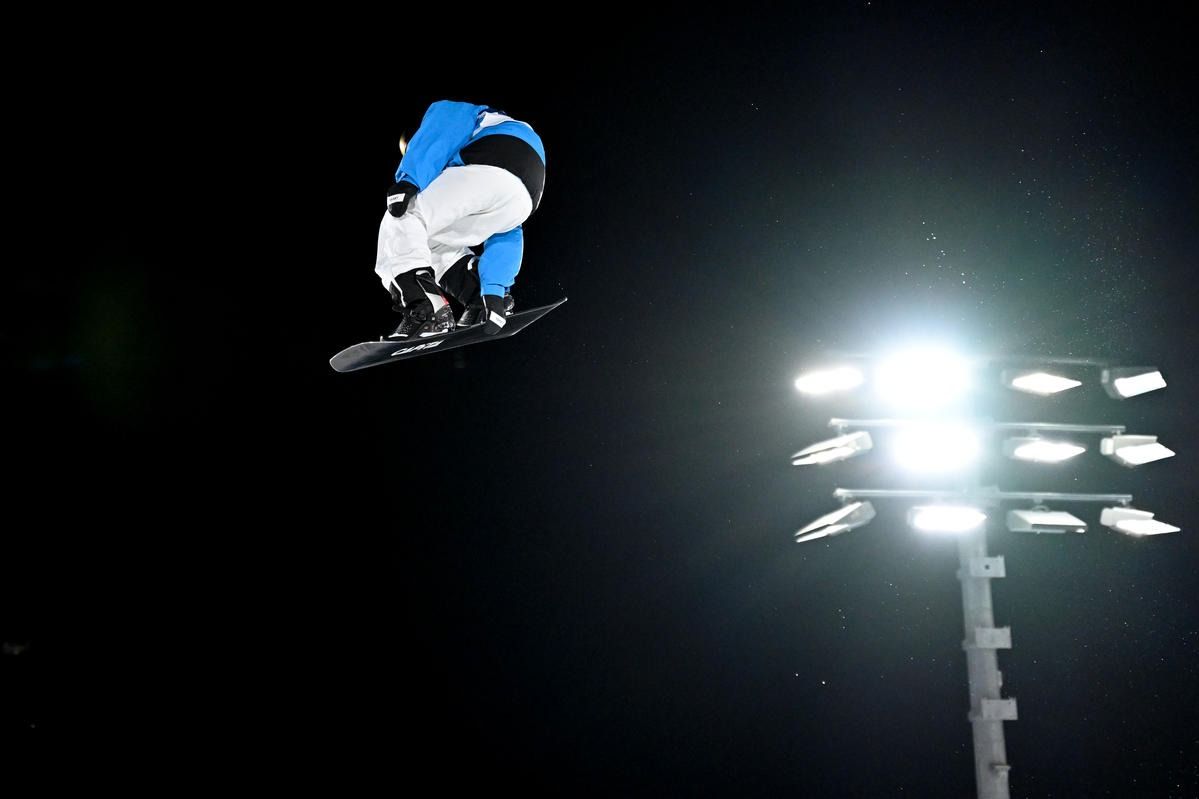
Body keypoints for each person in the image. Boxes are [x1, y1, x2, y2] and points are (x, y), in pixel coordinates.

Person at [375, 100, 546, 339]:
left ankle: (426, 311)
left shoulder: (455, 116)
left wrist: (408, 179)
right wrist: (494, 290)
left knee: (404, 216)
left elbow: (441, 125)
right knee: (433, 241)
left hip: (493, 155)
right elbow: (508, 231)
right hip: (527, 192)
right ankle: (478, 300)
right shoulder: (491, 127)